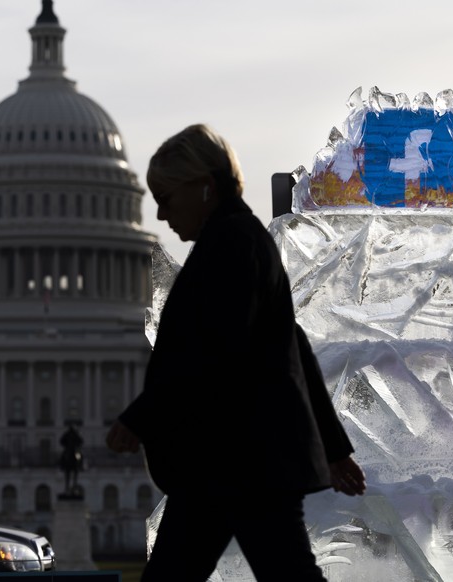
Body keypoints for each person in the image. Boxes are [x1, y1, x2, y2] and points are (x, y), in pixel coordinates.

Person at [106, 124, 366, 582]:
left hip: (239, 457)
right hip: (235, 459)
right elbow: (293, 346)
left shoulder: (232, 244)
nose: (162, 214)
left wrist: (140, 416)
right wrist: (333, 447)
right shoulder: (236, 241)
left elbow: (212, 349)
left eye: (167, 197)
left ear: (204, 185)